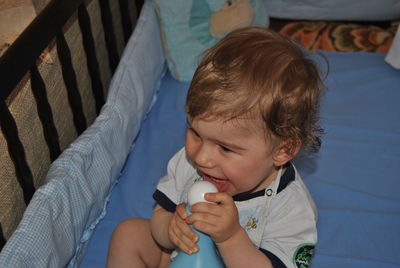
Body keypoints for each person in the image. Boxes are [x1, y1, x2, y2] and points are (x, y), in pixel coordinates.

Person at [107, 27, 324, 268]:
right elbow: (161, 213)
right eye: (196, 133)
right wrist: (170, 229)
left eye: (226, 148)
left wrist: (231, 238)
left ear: (282, 151)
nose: (202, 158)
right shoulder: (188, 161)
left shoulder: (291, 208)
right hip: (185, 258)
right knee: (130, 234)